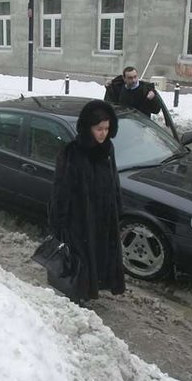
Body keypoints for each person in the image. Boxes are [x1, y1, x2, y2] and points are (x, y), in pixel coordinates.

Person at [49, 99, 125, 305]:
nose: (103, 133)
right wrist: (59, 223)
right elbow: (61, 190)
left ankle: (89, 291)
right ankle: (77, 297)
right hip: (79, 220)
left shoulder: (108, 150)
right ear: (88, 127)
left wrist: (117, 210)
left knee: (98, 259)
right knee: (80, 261)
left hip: (103, 218)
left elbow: (114, 182)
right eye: (99, 129)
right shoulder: (72, 152)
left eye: (107, 129)